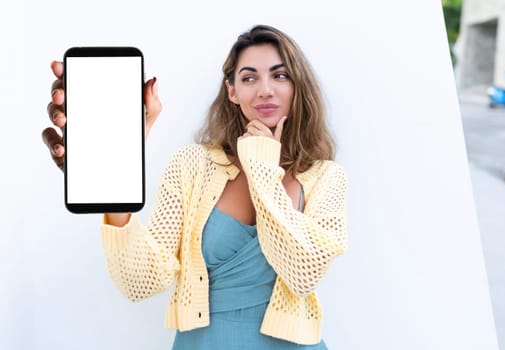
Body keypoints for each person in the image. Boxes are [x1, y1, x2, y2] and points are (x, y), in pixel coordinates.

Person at [42, 24, 348, 349]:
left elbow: (303, 274)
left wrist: (261, 163)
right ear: (231, 91)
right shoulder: (192, 165)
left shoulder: (326, 177)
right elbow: (140, 282)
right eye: (248, 78)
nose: (265, 90)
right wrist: (115, 180)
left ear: (297, 85)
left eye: (280, 75)